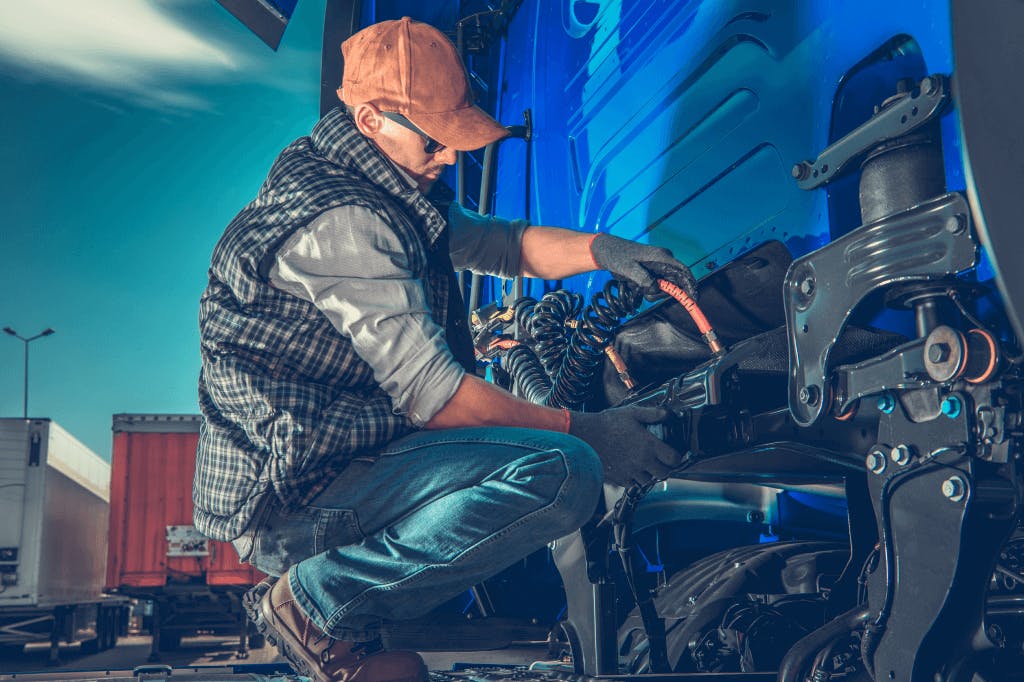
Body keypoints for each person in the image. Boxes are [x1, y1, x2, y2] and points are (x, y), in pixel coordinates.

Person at [194, 16, 695, 682]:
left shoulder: (378, 184)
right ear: (371, 118)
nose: (451, 157)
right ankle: (318, 603)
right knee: (563, 470)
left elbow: (499, 245)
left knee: (555, 457)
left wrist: (602, 249)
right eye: (436, 140)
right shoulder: (343, 220)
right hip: (299, 496)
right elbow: (441, 399)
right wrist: (594, 433)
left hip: (334, 460)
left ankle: (348, 629)